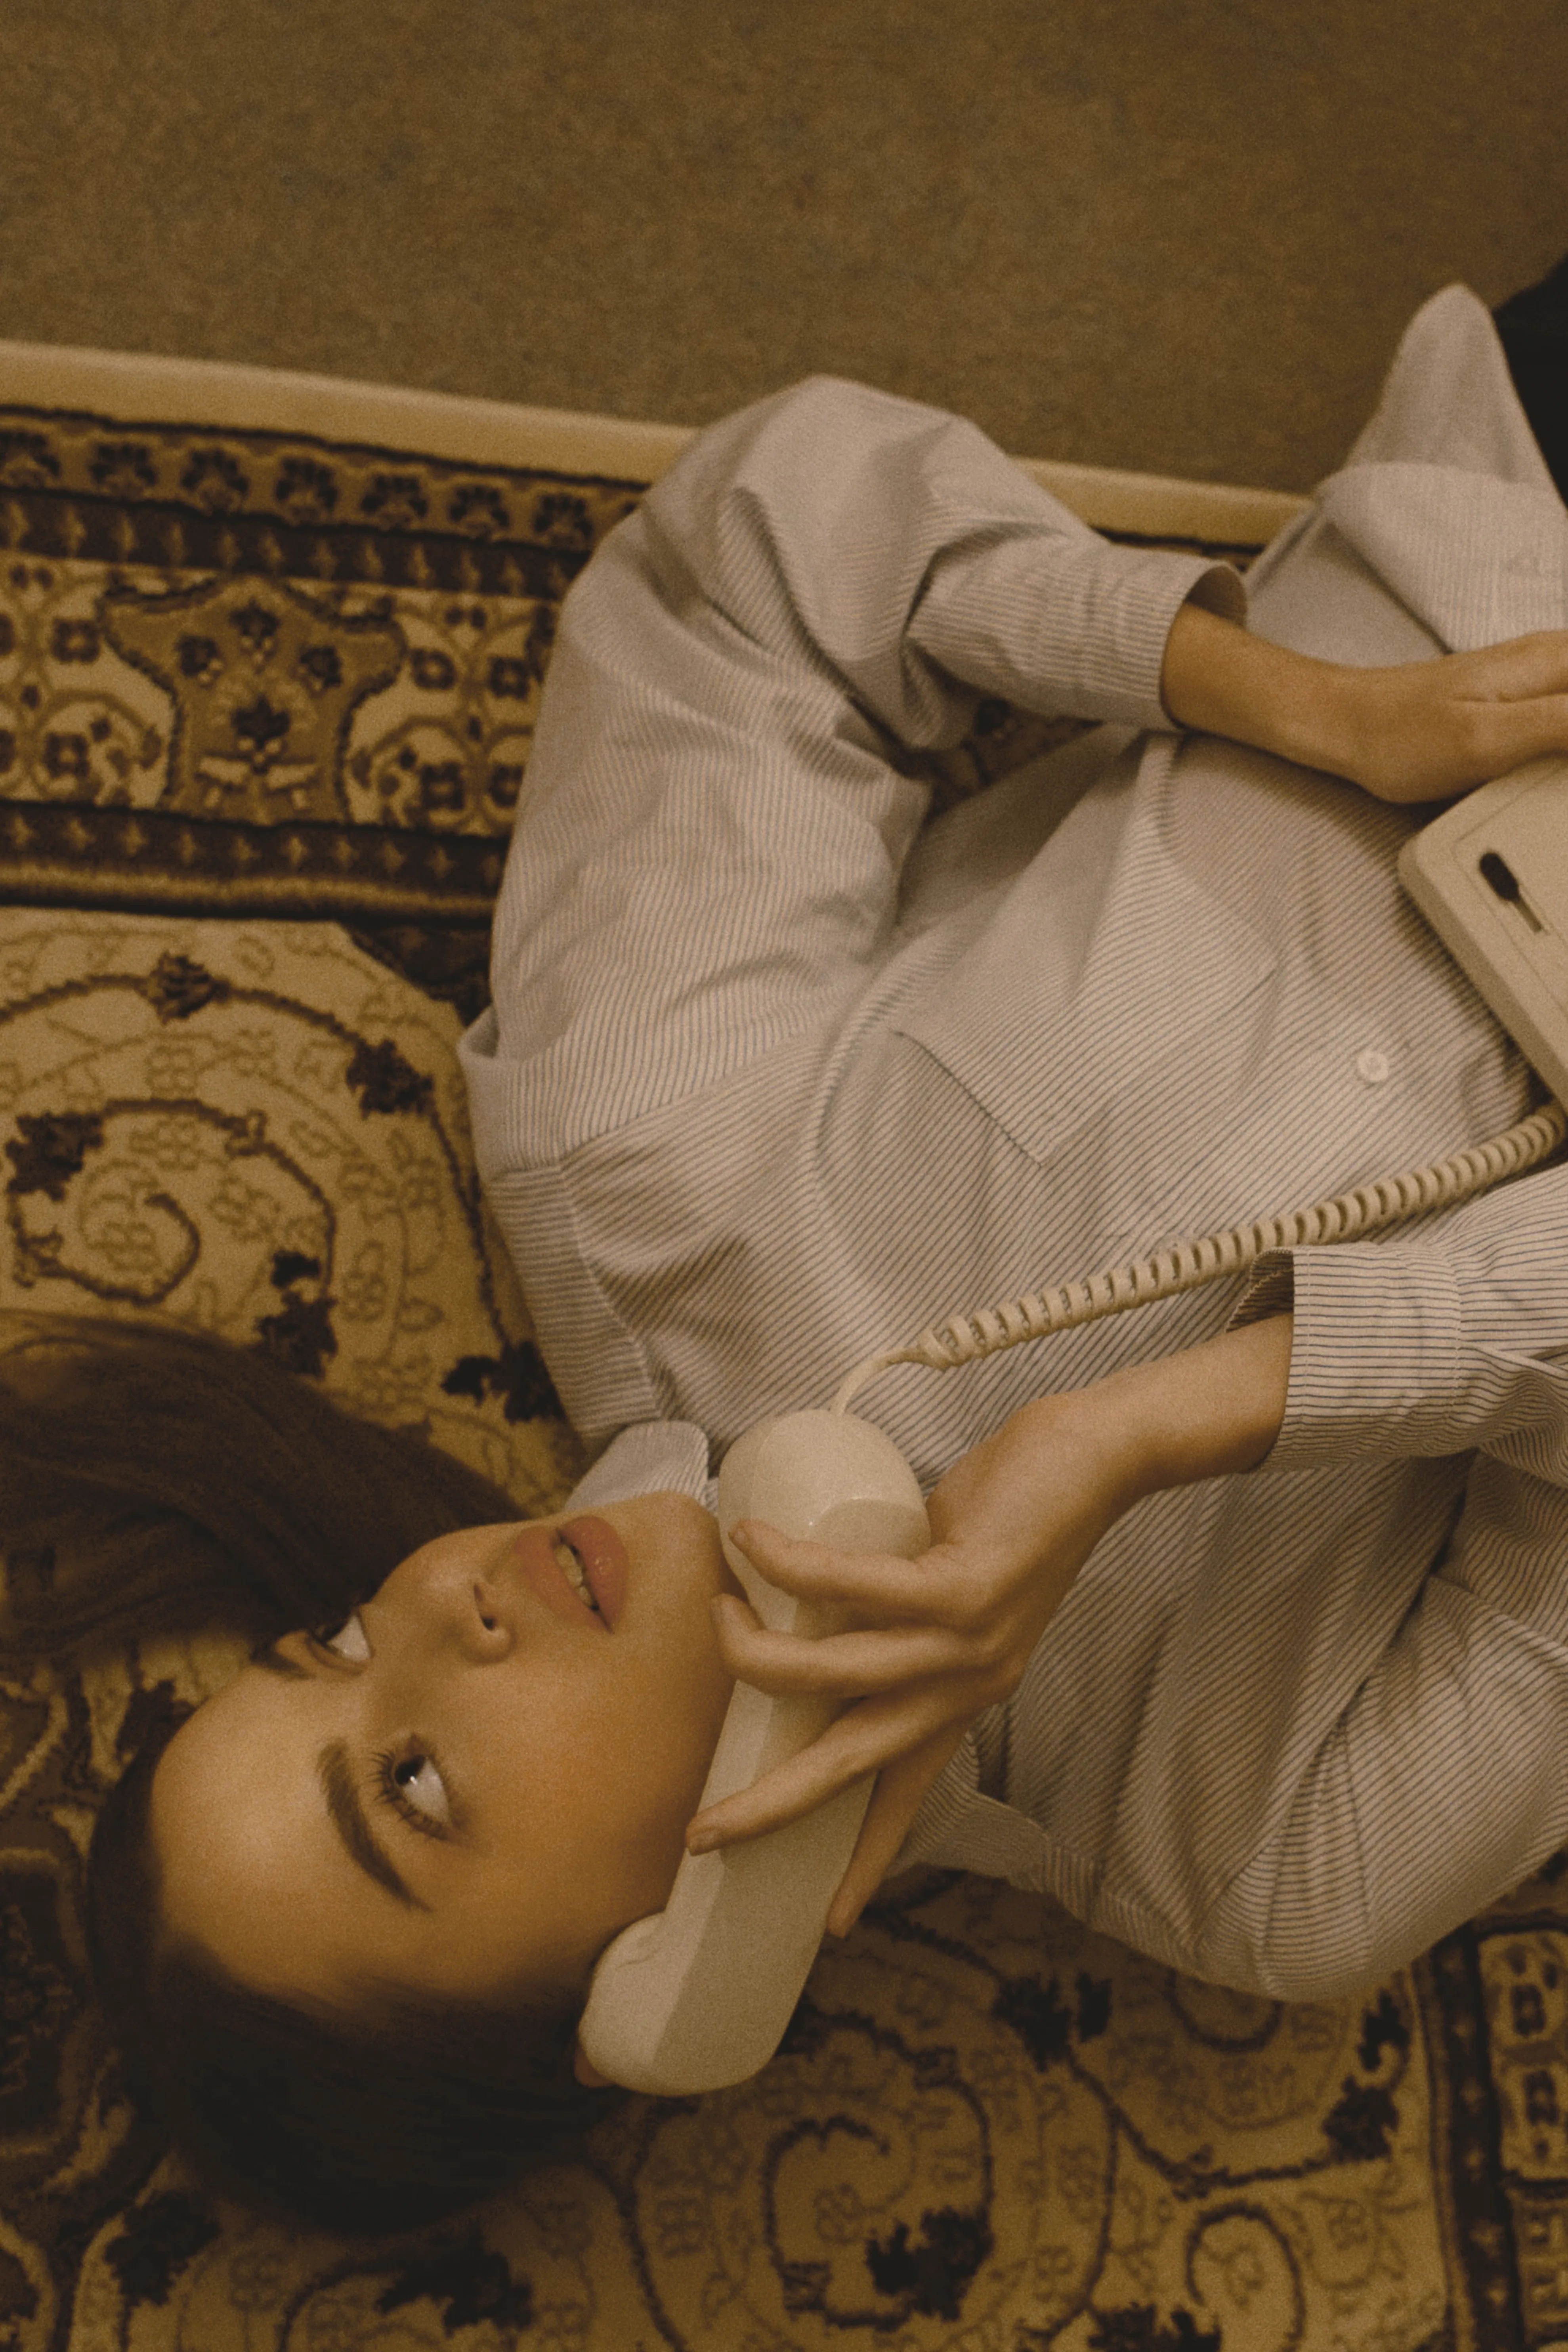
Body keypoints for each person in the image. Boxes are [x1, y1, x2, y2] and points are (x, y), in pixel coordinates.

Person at [21, 269, 1568, 2232]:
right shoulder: (1273, 1858)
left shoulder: (640, 1166)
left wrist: (1296, 699)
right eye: (411, 1781)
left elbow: (758, 554)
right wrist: (1179, 1422)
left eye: (331, 1642)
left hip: (1506, 532)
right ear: (651, 1988)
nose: (436, 1609)